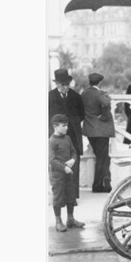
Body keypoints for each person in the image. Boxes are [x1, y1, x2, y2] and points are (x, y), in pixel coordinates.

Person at [48, 68, 84, 199]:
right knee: (57, 165)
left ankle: (72, 196)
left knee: (74, 163)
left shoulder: (76, 97)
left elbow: (81, 115)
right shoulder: (49, 97)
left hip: (73, 136)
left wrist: (71, 125)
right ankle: (59, 195)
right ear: (57, 84)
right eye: (63, 84)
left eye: (67, 84)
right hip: (56, 137)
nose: (66, 87)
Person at [49, 114, 84, 232]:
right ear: (55, 126)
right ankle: (58, 221)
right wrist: (64, 168)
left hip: (68, 174)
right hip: (58, 176)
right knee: (58, 197)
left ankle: (70, 219)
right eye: (63, 125)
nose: (66, 128)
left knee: (71, 196)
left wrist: (73, 160)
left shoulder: (67, 138)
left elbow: (74, 151)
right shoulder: (52, 141)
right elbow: (52, 160)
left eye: (67, 125)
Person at [81, 72, 115, 193]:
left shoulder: (84, 94)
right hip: (101, 130)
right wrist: (105, 116)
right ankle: (100, 185)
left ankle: (103, 184)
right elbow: (105, 103)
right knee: (103, 158)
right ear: (100, 82)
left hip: (90, 130)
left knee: (102, 158)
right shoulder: (99, 94)